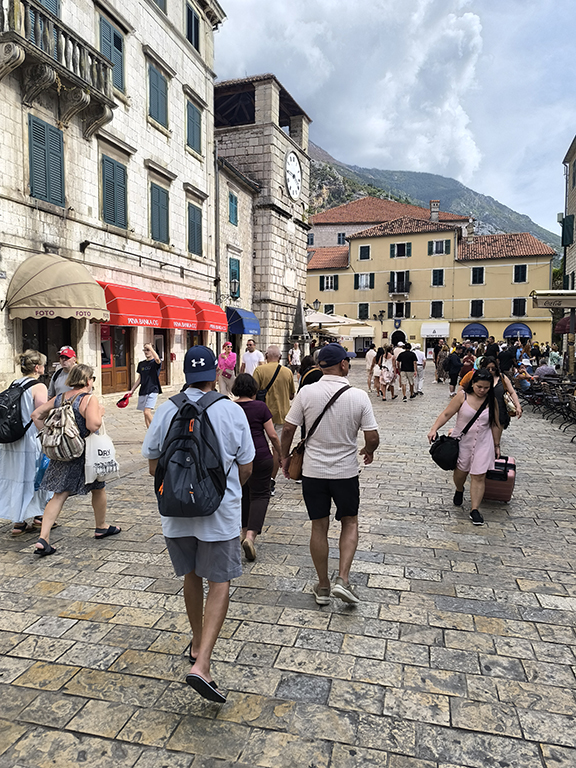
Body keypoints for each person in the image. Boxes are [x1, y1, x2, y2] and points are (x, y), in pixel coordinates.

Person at [142, 346, 254, 704]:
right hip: (219, 514)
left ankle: (195, 641)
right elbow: (247, 467)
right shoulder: (231, 411)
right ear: (215, 375)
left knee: (191, 576)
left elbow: (151, 466)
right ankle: (202, 663)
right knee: (218, 582)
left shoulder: (166, 410)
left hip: (175, 513)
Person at [280, 343, 379, 605]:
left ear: (320, 366)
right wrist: (369, 450)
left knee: (319, 526)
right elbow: (372, 436)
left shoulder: (306, 392)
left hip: (313, 472)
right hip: (345, 472)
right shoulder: (358, 396)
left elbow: (289, 429)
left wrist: (284, 456)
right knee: (350, 522)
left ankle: (323, 586)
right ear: (344, 364)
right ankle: (343, 580)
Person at [31, 364, 121, 556]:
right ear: (89, 380)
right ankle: (101, 526)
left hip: (63, 452)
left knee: (58, 494)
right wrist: (100, 413)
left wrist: (47, 434)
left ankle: (43, 538)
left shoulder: (60, 397)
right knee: (99, 487)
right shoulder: (89, 399)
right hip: (85, 453)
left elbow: (36, 414)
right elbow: (93, 425)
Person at [428, 369, 500, 526]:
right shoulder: (463, 396)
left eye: (486, 388)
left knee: (479, 475)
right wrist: (434, 428)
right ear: (472, 384)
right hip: (462, 442)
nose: (482, 390)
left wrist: (496, 445)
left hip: (483, 442)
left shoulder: (491, 400)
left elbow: (495, 424)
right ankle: (459, 489)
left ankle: (475, 509)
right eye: (479, 386)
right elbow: (447, 414)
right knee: (461, 473)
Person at [1, 350, 51, 536]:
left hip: (12, 438)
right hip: (30, 438)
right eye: (43, 365)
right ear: (37, 367)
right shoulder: (39, 387)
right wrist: (46, 434)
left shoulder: (15, 383)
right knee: (36, 476)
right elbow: (39, 414)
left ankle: (18, 522)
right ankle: (39, 516)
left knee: (16, 477)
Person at [232, 373, 282, 561]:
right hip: (260, 455)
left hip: (238, 457)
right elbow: (273, 435)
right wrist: (280, 454)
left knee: (243, 494)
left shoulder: (231, 407)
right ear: (253, 389)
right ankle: (251, 536)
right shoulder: (260, 407)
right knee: (261, 494)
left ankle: (243, 533)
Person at [253, 345, 295, 495]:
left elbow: (253, 392)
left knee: (260, 447)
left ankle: (260, 478)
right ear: (280, 357)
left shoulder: (259, 371)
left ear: (266, 355)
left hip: (263, 415)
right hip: (283, 415)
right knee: (277, 448)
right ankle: (271, 480)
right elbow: (291, 395)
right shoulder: (287, 372)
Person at [128, 343, 162, 428]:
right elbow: (140, 378)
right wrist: (132, 390)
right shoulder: (141, 364)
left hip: (153, 389)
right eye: (145, 350)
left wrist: (151, 348)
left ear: (152, 351)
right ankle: (149, 434)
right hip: (143, 390)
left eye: (148, 350)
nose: (146, 352)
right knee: (145, 413)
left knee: (147, 411)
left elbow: (157, 359)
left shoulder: (154, 363)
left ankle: (158, 429)